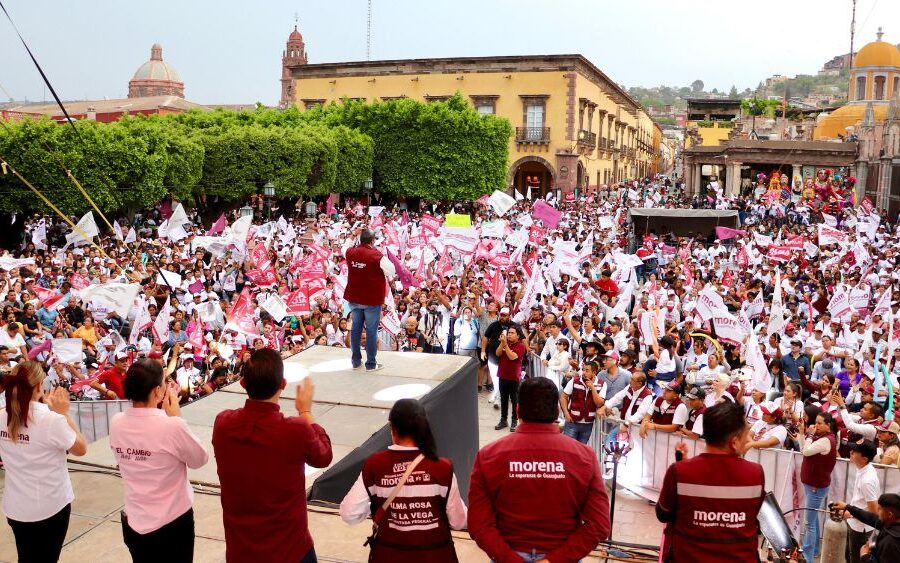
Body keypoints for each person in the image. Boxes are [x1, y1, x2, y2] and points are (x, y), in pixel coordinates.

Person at [468, 377, 611, 562]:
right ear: (557, 411)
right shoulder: (584, 456)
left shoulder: (488, 455)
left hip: (508, 553)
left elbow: (478, 525)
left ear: (517, 410)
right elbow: (599, 525)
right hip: (563, 555)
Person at [212, 349, 333, 563]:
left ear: (242, 384)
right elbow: (323, 456)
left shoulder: (223, 424)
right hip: (291, 550)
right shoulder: (295, 430)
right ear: (283, 384)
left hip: (242, 551)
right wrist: (305, 412)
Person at [339, 399, 467, 562]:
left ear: (392, 428)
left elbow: (349, 513)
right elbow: (458, 520)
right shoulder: (442, 468)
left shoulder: (375, 465)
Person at [109, 359, 209, 563]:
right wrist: (176, 418)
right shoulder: (171, 426)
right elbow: (200, 459)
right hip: (172, 523)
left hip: (135, 519)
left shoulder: (117, 421)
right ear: (157, 391)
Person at [0, 361, 88, 563]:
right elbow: (81, 449)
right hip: (49, 507)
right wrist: (63, 413)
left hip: (16, 507)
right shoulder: (51, 420)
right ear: (39, 386)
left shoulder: (2, 415)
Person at [656, 400, 765, 562]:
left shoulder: (679, 472)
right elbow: (753, 516)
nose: (747, 440)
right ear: (734, 442)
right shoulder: (755, 473)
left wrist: (684, 470)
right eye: (745, 435)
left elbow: (663, 514)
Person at [344, 229, 395, 372]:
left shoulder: (350, 252)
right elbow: (391, 271)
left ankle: (355, 362)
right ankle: (371, 364)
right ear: (372, 241)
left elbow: (345, 247)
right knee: (371, 331)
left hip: (355, 298)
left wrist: (352, 234)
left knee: (356, 329)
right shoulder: (377, 255)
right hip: (371, 300)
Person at [799, 411, 838, 560]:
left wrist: (808, 435)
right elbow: (803, 449)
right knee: (813, 519)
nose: (816, 425)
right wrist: (803, 434)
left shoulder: (825, 440)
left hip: (815, 486)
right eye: (816, 422)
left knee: (809, 523)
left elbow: (806, 451)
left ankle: (807, 558)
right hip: (813, 485)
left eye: (820, 423)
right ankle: (814, 550)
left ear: (828, 425)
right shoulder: (822, 438)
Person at [843, 440, 881, 563]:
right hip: (855, 524)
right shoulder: (864, 469)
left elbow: (874, 512)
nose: (851, 452)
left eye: (855, 451)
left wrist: (850, 514)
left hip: (861, 529)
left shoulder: (867, 480)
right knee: (849, 556)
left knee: (855, 559)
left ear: (864, 458)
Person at [831, 493, 900, 563]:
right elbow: (870, 517)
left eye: (880, 509)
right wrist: (848, 507)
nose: (877, 511)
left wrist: (864, 556)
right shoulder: (890, 522)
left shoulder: (890, 543)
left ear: (890, 514)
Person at [559, 360, 606, 444]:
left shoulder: (602, 384)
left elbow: (599, 403)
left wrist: (593, 388)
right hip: (572, 421)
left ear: (594, 372)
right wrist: (566, 413)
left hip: (588, 424)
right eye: (583, 370)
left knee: (580, 450)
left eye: (587, 370)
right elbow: (563, 396)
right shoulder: (574, 381)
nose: (584, 372)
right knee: (568, 447)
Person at [495, 325, 526, 432]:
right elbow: (498, 353)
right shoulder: (505, 343)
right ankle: (503, 419)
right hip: (502, 375)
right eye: (508, 333)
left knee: (514, 399)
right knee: (503, 398)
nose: (509, 335)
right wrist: (502, 343)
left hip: (514, 377)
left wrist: (505, 345)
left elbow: (512, 356)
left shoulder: (521, 346)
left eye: (512, 333)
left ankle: (514, 420)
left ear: (518, 335)